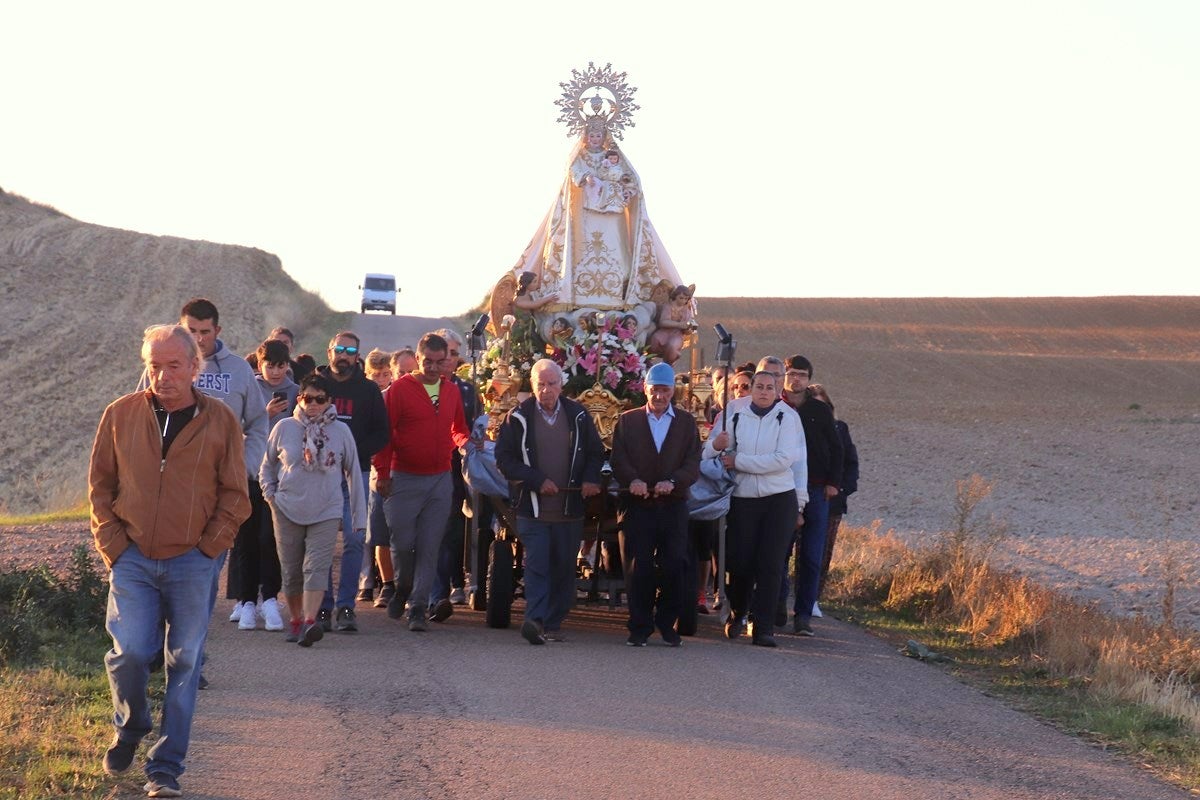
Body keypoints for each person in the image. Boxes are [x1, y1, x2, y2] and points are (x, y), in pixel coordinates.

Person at [91, 324, 250, 796]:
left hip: (192, 562)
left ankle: (165, 769)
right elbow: (100, 487)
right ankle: (131, 723)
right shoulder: (120, 415)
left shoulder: (220, 421)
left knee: (184, 661)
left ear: (194, 367)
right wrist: (114, 546)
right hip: (133, 560)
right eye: (154, 366)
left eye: (173, 366)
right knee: (130, 654)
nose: (163, 376)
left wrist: (209, 549)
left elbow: (236, 495)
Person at [495, 359, 605, 644]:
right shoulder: (517, 417)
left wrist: (592, 478)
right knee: (537, 564)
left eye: (551, 384)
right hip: (532, 509)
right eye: (540, 384)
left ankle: (554, 621)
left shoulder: (579, 415)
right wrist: (535, 479)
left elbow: (595, 453)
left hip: (569, 510)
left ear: (561, 385)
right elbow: (504, 459)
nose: (546, 390)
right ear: (532, 386)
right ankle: (535, 620)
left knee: (564, 566)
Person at [260, 373, 367, 647]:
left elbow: (353, 472)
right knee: (292, 570)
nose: (314, 404)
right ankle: (295, 620)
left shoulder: (341, 432)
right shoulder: (284, 427)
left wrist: (358, 516)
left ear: (330, 402)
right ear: (300, 398)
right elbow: (267, 465)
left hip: (327, 509)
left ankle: (310, 622)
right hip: (287, 507)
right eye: (308, 398)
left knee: (316, 567)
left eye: (320, 399)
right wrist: (270, 494)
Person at [374, 333, 470, 631]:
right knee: (403, 544)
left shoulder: (452, 391)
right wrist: (384, 473)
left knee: (429, 545)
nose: (433, 367)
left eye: (439, 362)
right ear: (418, 358)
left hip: (439, 480)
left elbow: (459, 428)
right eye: (427, 361)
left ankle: (417, 606)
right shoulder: (400, 390)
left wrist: (465, 442)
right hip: (403, 479)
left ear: (447, 362)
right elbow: (384, 434)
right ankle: (401, 587)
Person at [705, 370, 804, 648]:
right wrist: (717, 446)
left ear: (777, 390)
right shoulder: (734, 412)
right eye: (758, 386)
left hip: (778, 498)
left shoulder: (788, 417)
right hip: (743, 497)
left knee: (771, 564)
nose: (763, 392)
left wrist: (739, 461)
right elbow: (712, 451)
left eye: (769, 387)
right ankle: (738, 612)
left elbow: (783, 460)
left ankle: (763, 628)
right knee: (740, 562)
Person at [610, 362, 701, 647]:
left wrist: (673, 482)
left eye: (665, 390)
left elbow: (693, 462)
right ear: (645, 389)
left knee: (675, 564)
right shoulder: (628, 421)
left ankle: (666, 621)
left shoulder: (686, 423)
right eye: (654, 390)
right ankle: (639, 626)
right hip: (639, 506)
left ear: (673, 391)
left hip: (672, 505)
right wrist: (633, 480)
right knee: (640, 567)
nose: (659, 396)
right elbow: (618, 458)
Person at [313, 331, 389, 632]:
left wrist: (355, 452)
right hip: (319, 476)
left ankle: (346, 606)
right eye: (339, 349)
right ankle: (323, 606)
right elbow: (299, 420)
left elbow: (382, 433)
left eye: (350, 351)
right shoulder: (316, 385)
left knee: (356, 539)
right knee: (323, 541)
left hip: (356, 473)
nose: (344, 355)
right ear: (329, 351)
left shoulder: (368, 390)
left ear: (358, 357)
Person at [781, 355, 844, 637]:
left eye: (802, 375)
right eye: (792, 373)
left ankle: (804, 615)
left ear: (809, 379)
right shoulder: (775, 406)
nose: (796, 379)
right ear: (784, 375)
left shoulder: (819, 410)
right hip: (781, 489)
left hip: (817, 490)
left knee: (811, 556)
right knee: (779, 552)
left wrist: (833, 483)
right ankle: (776, 608)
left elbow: (837, 448)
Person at [429, 329, 483, 617]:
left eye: (452, 354)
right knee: (436, 528)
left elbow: (473, 429)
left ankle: (457, 583)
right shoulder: (417, 386)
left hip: (458, 467)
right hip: (428, 467)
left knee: (455, 528)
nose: (448, 359)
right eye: (444, 353)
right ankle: (436, 594)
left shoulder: (467, 391)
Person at [807, 383, 859, 612]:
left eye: (823, 404)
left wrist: (840, 488)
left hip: (832, 501)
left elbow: (850, 462)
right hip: (803, 496)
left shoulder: (840, 429)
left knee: (821, 552)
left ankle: (814, 598)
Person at [648, 284, 696, 365]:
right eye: (681, 298)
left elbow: (686, 329)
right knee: (655, 340)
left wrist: (689, 328)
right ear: (675, 296)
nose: (683, 301)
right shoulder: (668, 307)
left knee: (672, 345)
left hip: (677, 334)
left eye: (686, 299)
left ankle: (669, 362)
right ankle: (649, 360)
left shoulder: (686, 311)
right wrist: (679, 324)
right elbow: (663, 322)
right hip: (664, 331)